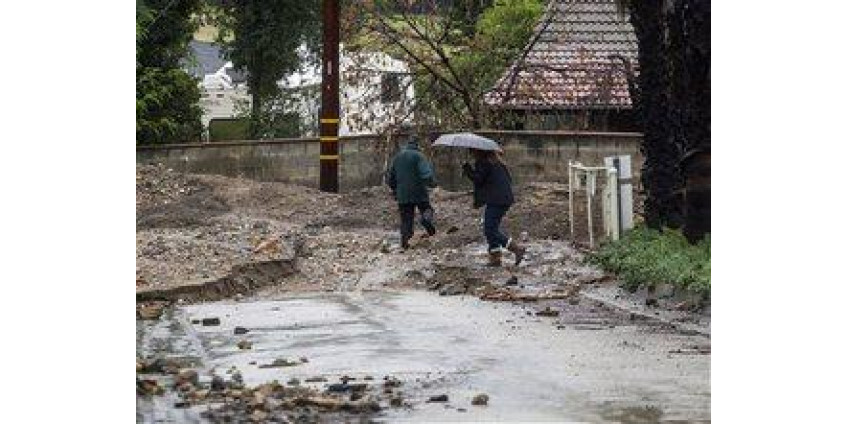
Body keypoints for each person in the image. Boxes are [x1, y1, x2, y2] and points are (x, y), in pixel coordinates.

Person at [462, 149, 526, 266]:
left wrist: (468, 170)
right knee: (491, 228)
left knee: (490, 230)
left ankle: (516, 249)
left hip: (497, 199)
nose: (471, 154)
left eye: (472, 152)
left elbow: (478, 179)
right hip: (503, 198)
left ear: (479, 152)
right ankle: (495, 258)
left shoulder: (484, 163)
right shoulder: (497, 162)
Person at [386, 137, 437, 250]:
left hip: (402, 195)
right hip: (419, 192)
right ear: (417, 146)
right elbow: (426, 174)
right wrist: (433, 184)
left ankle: (405, 242)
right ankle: (427, 223)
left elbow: (390, 179)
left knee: (406, 219)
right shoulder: (419, 156)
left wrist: (395, 191)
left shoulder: (397, 157)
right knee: (427, 209)